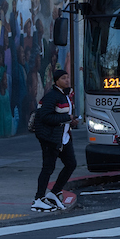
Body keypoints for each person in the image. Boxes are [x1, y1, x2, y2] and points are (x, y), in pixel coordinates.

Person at [31, 69, 78, 212]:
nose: (67, 80)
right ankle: (38, 199)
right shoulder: (52, 96)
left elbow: (65, 115)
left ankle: (54, 193)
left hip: (64, 137)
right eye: (63, 78)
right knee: (48, 168)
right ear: (56, 81)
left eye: (67, 77)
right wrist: (67, 119)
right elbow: (45, 117)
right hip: (50, 138)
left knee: (71, 164)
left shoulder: (66, 96)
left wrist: (71, 122)